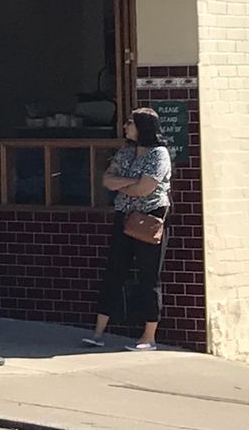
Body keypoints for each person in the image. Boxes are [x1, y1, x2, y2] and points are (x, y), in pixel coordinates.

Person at [85, 108, 172, 351]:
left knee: (148, 277)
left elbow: (144, 190)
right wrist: (131, 182)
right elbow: (107, 180)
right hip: (124, 217)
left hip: (149, 219)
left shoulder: (159, 154)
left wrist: (126, 184)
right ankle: (98, 332)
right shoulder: (126, 151)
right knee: (114, 272)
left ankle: (148, 336)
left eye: (130, 123)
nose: (125, 127)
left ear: (143, 127)